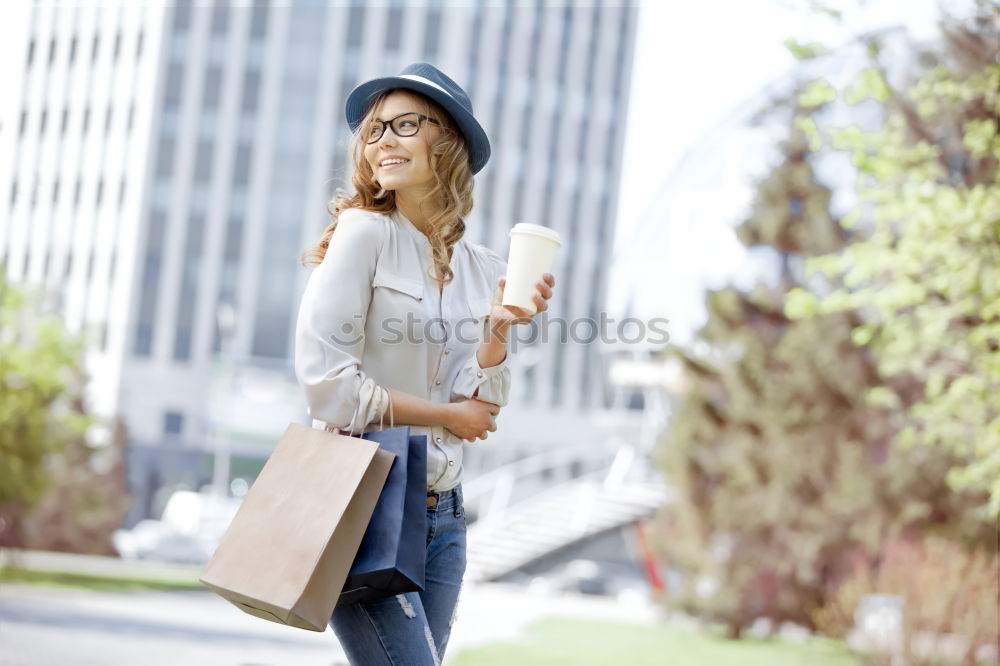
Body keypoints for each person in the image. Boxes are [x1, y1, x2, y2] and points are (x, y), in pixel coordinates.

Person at [294, 62, 556, 666]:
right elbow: (327, 389)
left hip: (444, 519)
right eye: (374, 129)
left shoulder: (487, 267)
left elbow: (482, 410)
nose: (383, 140)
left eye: (405, 124)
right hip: (363, 504)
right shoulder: (362, 234)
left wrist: (496, 334)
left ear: (449, 143)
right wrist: (446, 415)